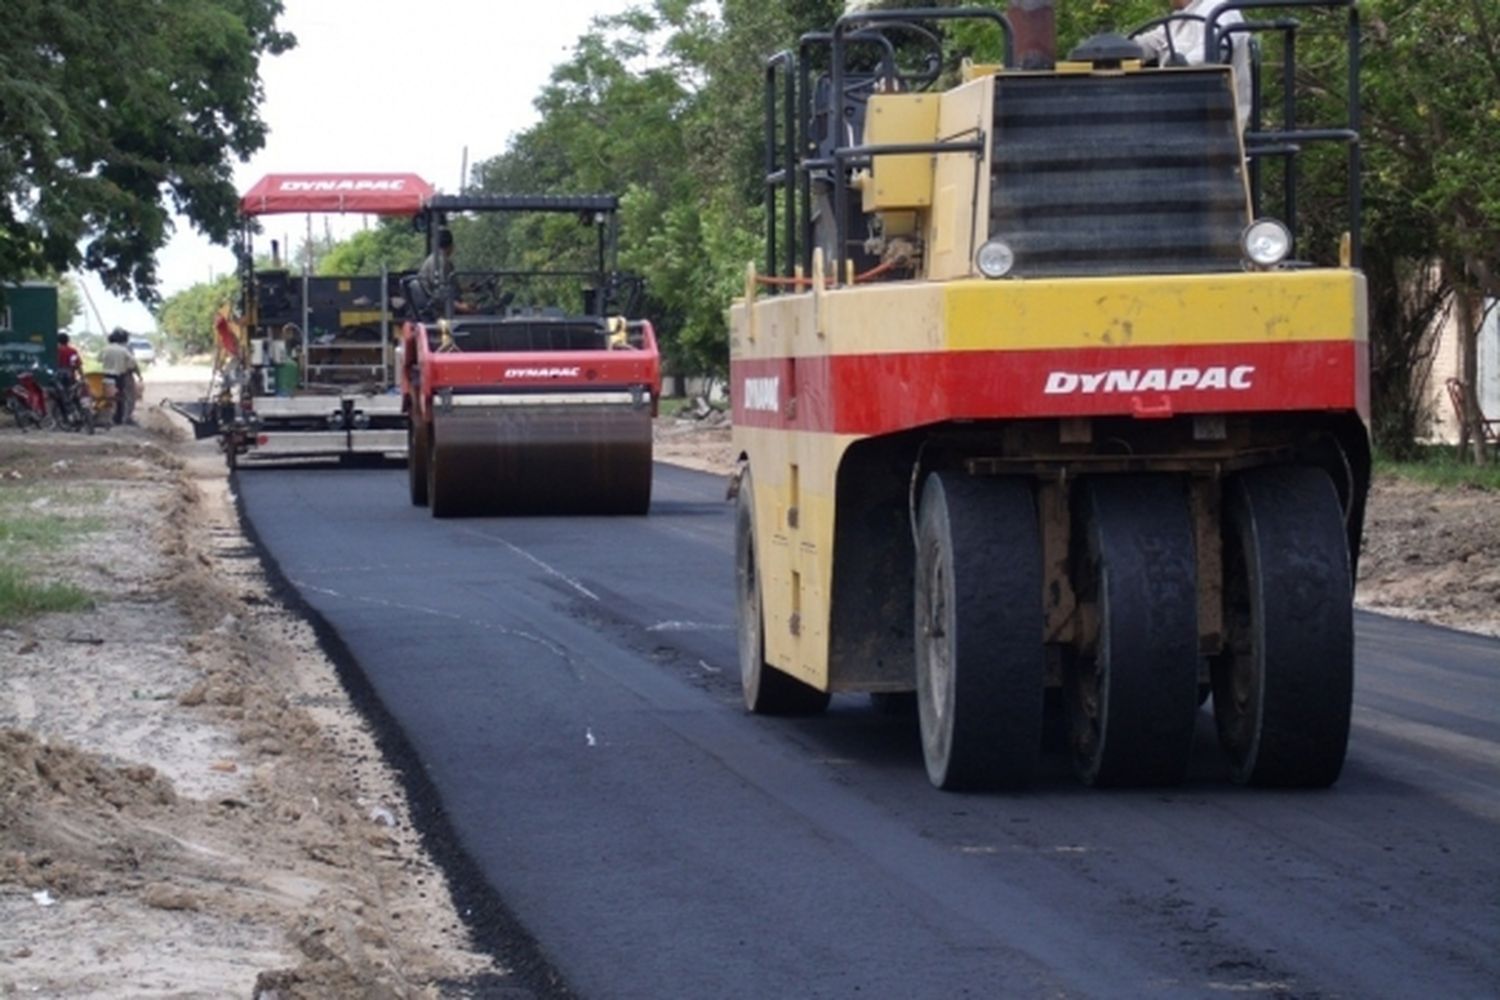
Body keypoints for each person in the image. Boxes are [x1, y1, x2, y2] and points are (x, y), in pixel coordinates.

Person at [1135, 0, 1253, 132]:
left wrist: (1184, 65)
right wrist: (1120, 47)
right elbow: (1153, 41)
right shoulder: (1182, 17)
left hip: (1214, 122)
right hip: (1180, 111)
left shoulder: (1220, 10)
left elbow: (1215, 52)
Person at [418, 227, 473, 315]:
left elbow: (447, 287)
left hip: (441, 306)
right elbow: (441, 294)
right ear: (451, 245)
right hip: (440, 311)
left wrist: (468, 288)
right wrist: (461, 307)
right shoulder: (440, 262)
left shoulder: (436, 259)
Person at [99, 329, 141, 426]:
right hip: (119, 376)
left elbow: (99, 359)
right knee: (122, 397)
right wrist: (138, 375)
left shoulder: (105, 349)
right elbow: (133, 364)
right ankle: (121, 418)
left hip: (106, 375)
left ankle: (108, 417)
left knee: (108, 397)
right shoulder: (124, 350)